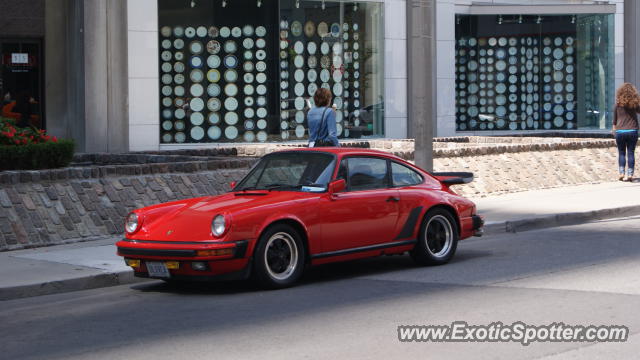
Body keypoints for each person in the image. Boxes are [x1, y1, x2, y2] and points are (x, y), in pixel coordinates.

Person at [612, 83, 640, 182]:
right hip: (632, 130)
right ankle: (630, 174)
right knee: (631, 153)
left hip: (620, 131)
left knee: (622, 153)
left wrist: (614, 130)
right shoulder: (634, 104)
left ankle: (621, 173)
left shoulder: (617, 104)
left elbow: (614, 120)